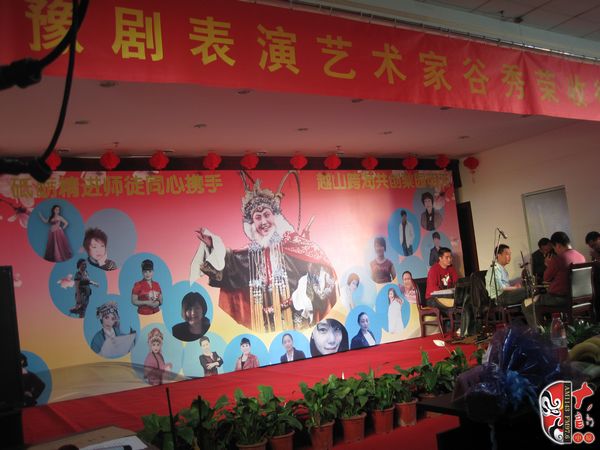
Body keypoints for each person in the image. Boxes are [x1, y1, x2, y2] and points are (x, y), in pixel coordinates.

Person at [189, 174, 337, 333]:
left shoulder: (293, 243)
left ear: (275, 216)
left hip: (296, 318)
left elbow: (319, 266)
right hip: (263, 321)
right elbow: (228, 269)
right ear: (251, 223)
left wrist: (302, 295)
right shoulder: (248, 255)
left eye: (267, 215)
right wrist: (213, 245)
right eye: (258, 217)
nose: (264, 222)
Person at [523, 232, 586, 328]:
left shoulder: (559, 259)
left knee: (526, 305)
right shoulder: (581, 256)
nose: (555, 251)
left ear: (558, 245)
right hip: (579, 297)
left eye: (554, 248)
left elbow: (546, 278)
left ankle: (540, 332)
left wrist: (548, 265)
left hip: (559, 298)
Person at [291, 262, 336, 328]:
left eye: (312, 266)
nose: (310, 267)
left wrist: (322, 292)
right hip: (314, 299)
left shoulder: (326, 273)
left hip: (322, 301)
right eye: (309, 266)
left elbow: (324, 293)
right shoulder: (306, 278)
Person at [425, 247, 459, 311]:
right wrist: (447, 292)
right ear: (440, 258)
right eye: (447, 257)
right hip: (432, 298)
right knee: (452, 306)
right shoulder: (433, 270)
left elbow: (457, 282)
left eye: (450, 257)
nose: (449, 259)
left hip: (448, 296)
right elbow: (433, 288)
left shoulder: (451, 268)